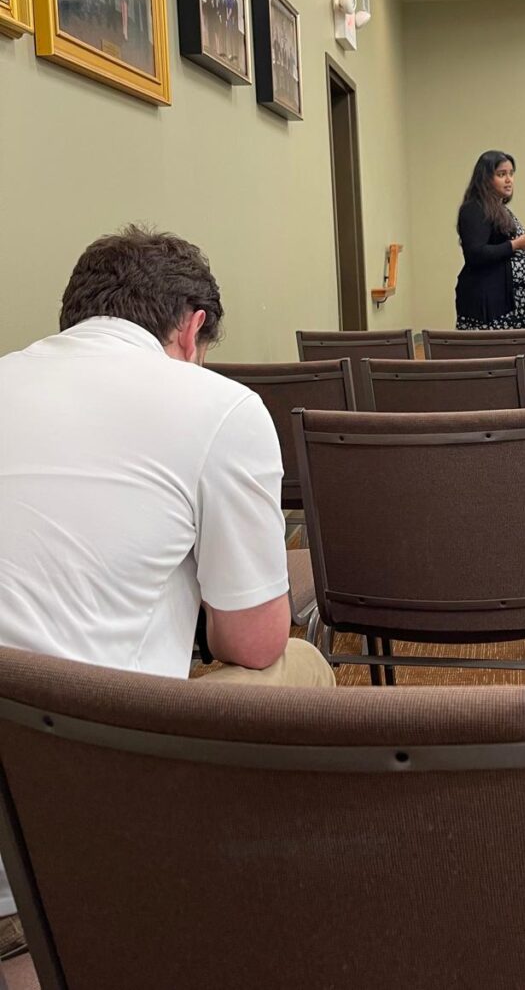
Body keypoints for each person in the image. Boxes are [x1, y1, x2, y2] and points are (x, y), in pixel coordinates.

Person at [0, 226, 334, 946]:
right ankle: (253, 913)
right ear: (192, 328)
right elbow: (251, 640)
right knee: (299, 663)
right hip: (78, 816)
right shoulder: (219, 407)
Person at [455, 150, 525, 330]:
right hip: (490, 304)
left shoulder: (499, 208)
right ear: (485, 178)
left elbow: (508, 249)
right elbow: (475, 253)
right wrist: (517, 244)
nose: (509, 179)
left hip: (515, 301)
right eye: (501, 174)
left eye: (511, 174)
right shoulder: (474, 208)